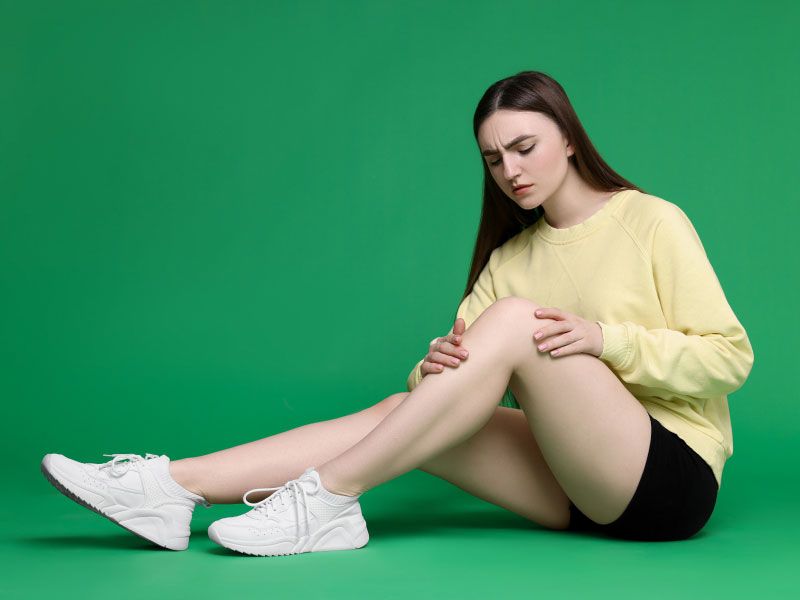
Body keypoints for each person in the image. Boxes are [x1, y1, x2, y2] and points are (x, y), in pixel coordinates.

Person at [40, 70, 754, 555]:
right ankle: (172, 488)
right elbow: (431, 394)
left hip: (669, 483)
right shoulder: (512, 258)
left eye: (525, 146)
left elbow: (730, 358)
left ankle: (328, 498)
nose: (511, 170)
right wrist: (434, 363)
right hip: (576, 489)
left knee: (512, 320)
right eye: (494, 158)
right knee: (400, 406)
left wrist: (605, 341)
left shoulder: (651, 221)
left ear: (569, 137)